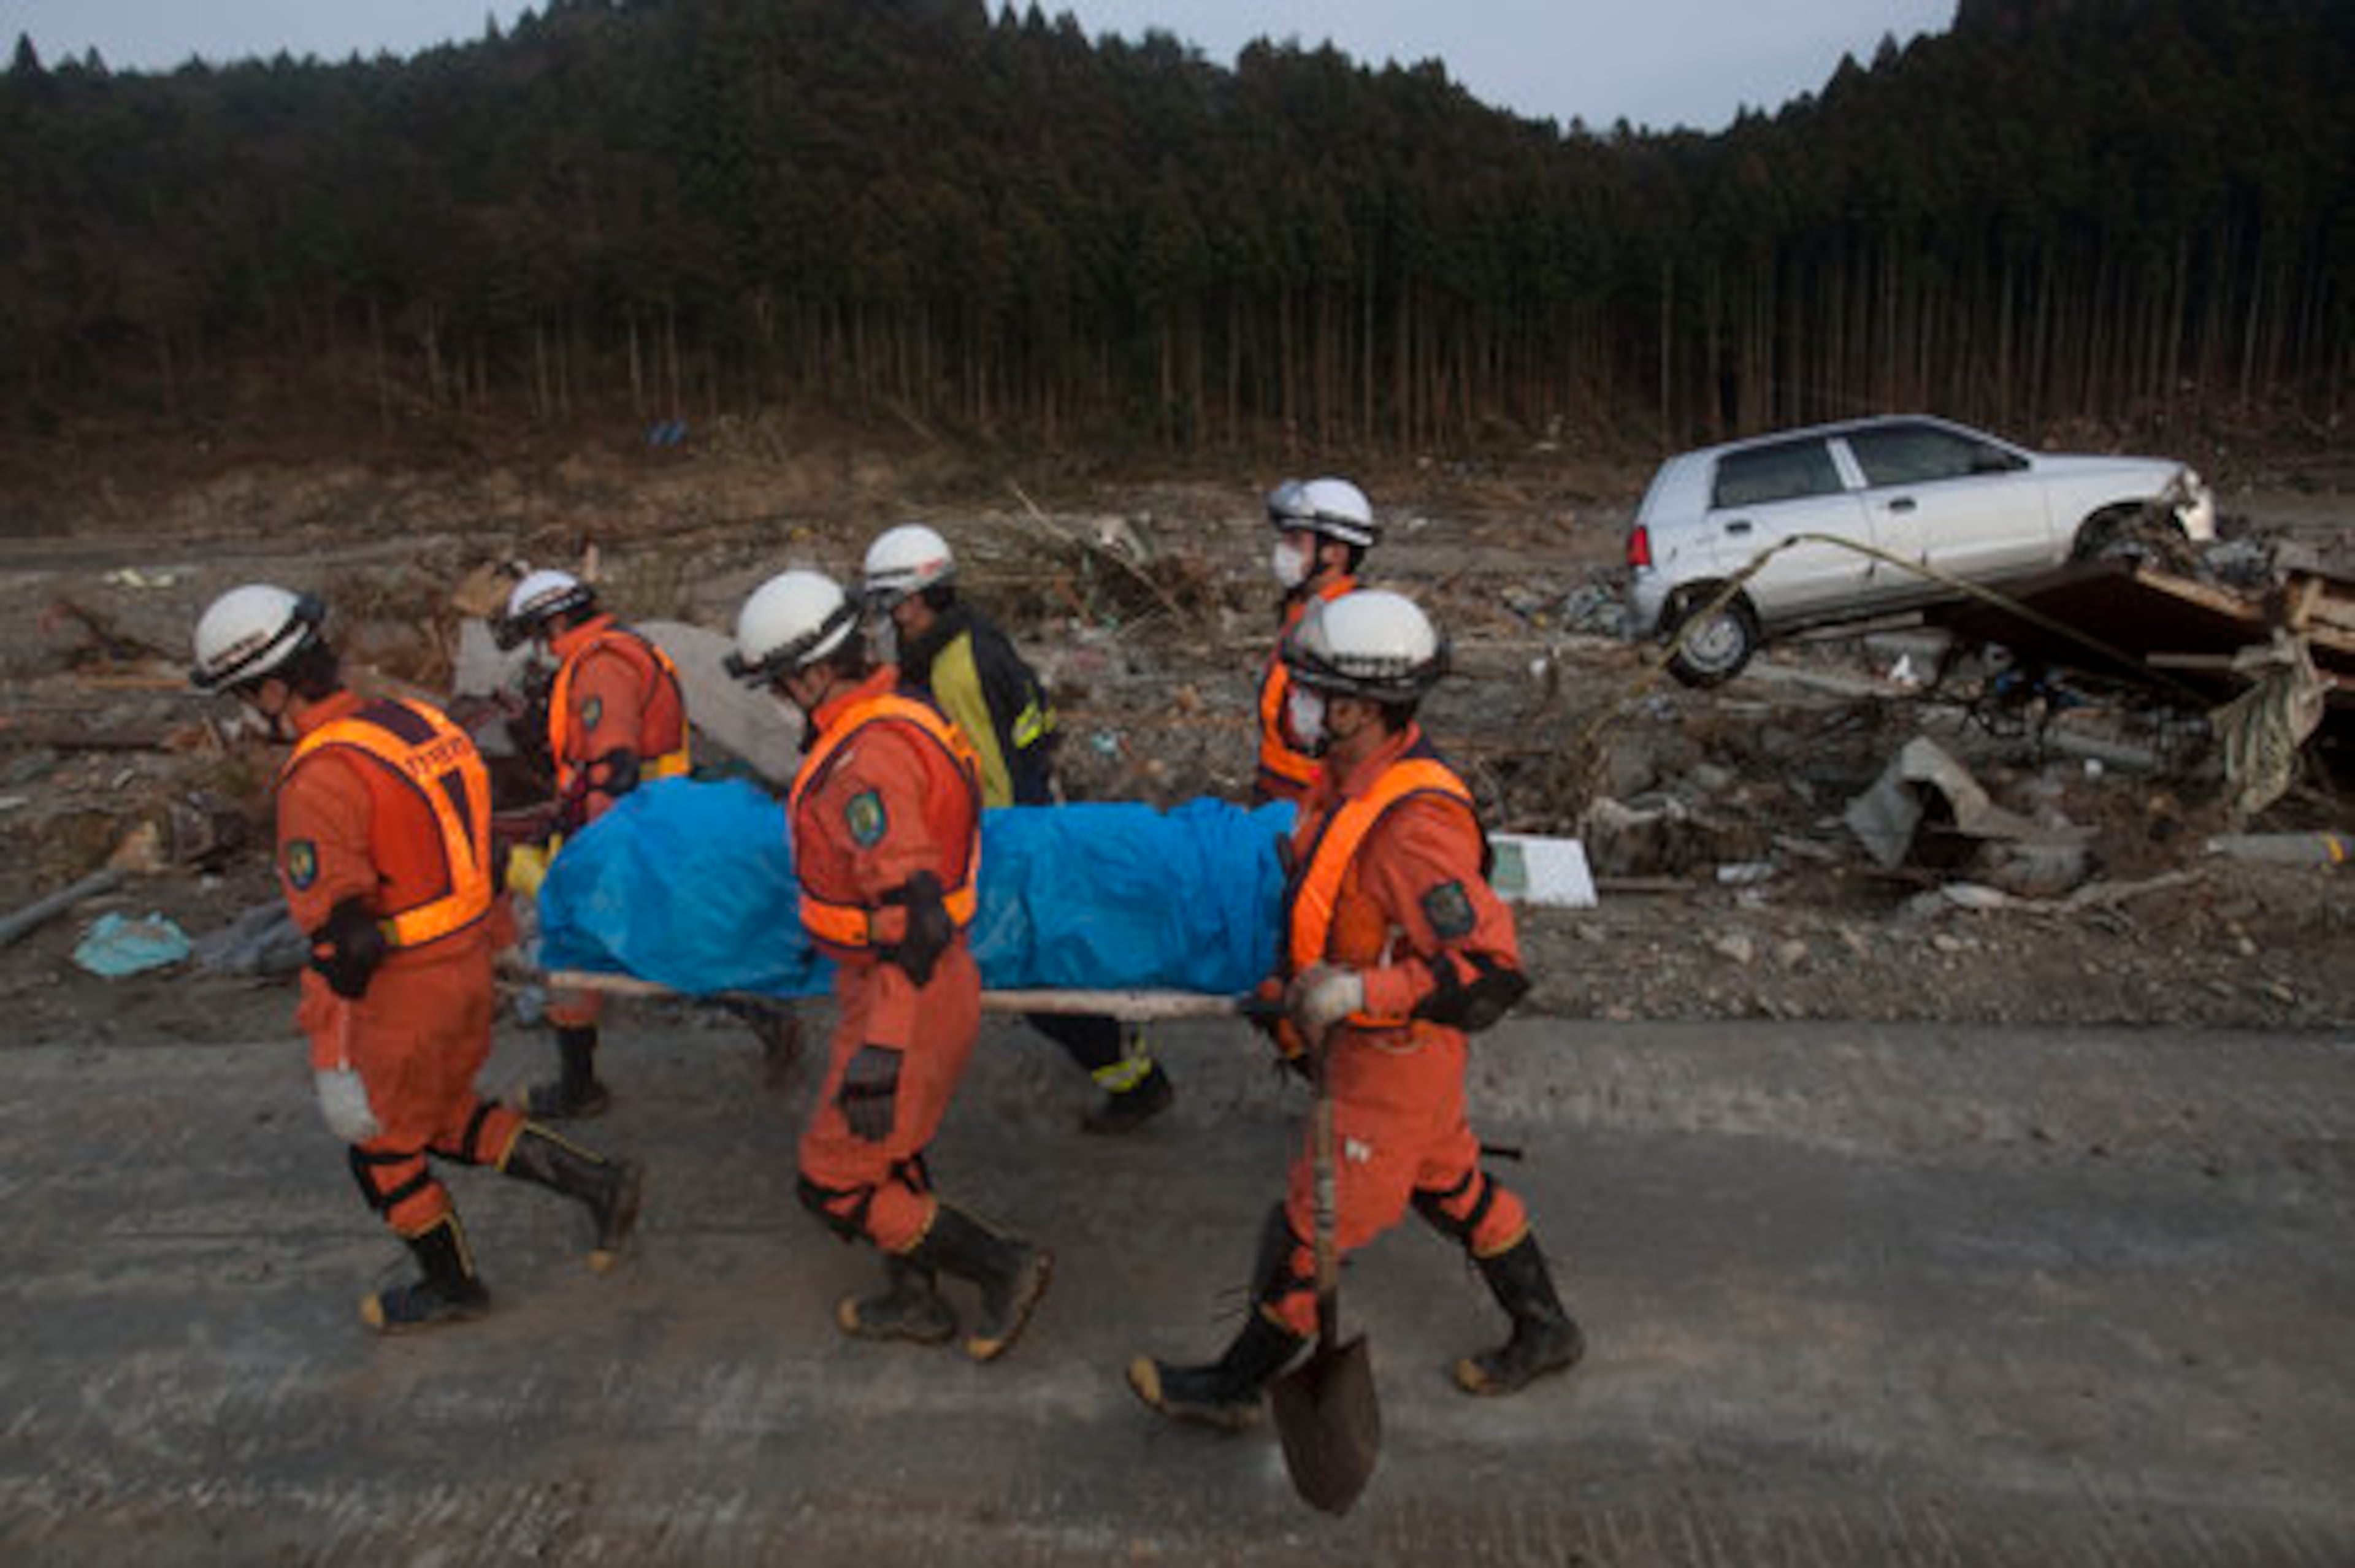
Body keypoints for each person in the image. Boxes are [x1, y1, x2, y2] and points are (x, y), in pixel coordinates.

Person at [1128, 589, 1583, 1428]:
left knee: (1311, 1239)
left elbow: (1487, 971)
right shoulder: (1347, 781)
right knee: (1450, 1183)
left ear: (1361, 706)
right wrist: (1290, 989)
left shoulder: (1414, 826)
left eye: (1311, 690)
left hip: (1390, 1066)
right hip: (1393, 1059)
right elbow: (1330, 901)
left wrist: (1359, 992)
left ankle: (1234, 1390)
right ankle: (1547, 1326)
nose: (1294, 702)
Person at [189, 584, 643, 1333]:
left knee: (381, 1146)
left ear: (273, 687)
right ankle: (597, 1182)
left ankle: (450, 1287)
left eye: (244, 696)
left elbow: (344, 943)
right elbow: (484, 849)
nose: (245, 714)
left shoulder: (320, 777)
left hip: (400, 995)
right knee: (444, 1115)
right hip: (467, 969)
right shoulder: (419, 724)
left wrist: (334, 1059)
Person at [726, 567, 1051, 1361]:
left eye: (776, 683)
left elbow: (913, 923)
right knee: (891, 1147)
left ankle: (1003, 1265)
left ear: (808, 675)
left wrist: (881, 1048)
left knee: (832, 1179)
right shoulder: (901, 711)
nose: (776, 699)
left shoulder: (863, 768)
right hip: (900, 982)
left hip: (903, 992)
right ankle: (916, 1299)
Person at [861, 522, 1174, 1134]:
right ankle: (1127, 1056)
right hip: (1031, 824)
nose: (884, 620)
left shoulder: (956, 672)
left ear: (916, 598)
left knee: (1040, 987)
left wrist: (985, 868)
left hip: (1013, 843)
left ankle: (1136, 1080)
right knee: (1047, 973)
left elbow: (991, 784)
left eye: (887, 605)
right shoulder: (968, 636)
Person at [495, 568, 691, 1119]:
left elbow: (611, 768)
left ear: (556, 620)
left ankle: (579, 1087)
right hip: (645, 822)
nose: (540, 649)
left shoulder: (601, 666)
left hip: (629, 830)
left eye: (538, 634)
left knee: (582, 950)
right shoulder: (613, 651)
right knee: (613, 950)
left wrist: (587, 850)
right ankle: (765, 1017)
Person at [1254, 476, 1379, 805]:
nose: (1284, 549)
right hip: (1275, 785)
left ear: (1335, 553)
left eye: (1296, 540)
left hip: (1311, 798)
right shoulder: (1302, 609)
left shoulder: (1349, 624)